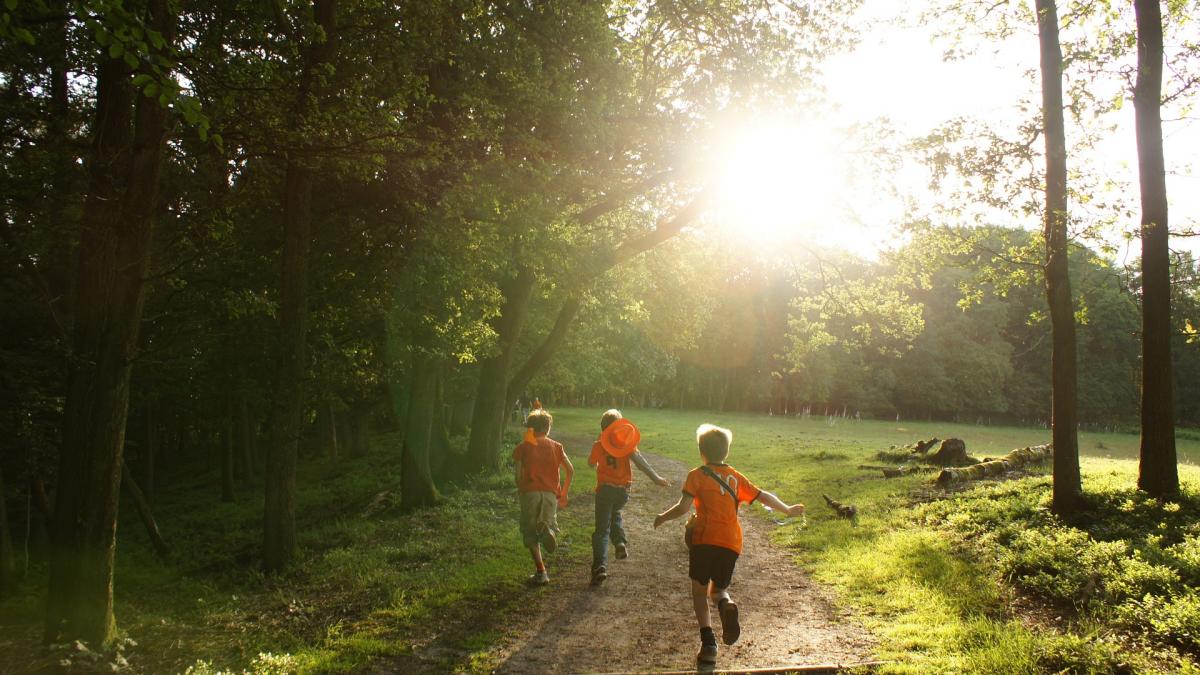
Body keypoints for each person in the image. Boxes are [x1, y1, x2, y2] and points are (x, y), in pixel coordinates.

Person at [653, 423, 805, 665]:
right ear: (726, 452)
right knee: (718, 590)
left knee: (700, 592)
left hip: (704, 540)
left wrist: (662, 517)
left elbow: (683, 508)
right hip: (731, 542)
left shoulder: (696, 475)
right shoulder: (735, 477)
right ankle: (726, 604)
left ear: (702, 452)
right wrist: (787, 509)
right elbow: (763, 495)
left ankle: (709, 643)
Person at [587, 409, 670, 586]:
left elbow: (590, 463)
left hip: (604, 491)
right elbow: (641, 464)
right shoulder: (626, 446)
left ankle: (599, 567)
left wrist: (598, 460)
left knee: (601, 530)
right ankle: (619, 543)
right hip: (622, 492)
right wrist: (657, 479)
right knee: (615, 513)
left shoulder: (598, 445)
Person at [512, 409, 574, 585]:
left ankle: (541, 572)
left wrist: (521, 488)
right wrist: (564, 493)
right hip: (550, 495)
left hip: (530, 493)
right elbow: (570, 470)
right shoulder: (557, 446)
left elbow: (517, 476)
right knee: (548, 523)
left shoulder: (522, 447)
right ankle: (549, 531)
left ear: (530, 428)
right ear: (548, 428)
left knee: (530, 532)